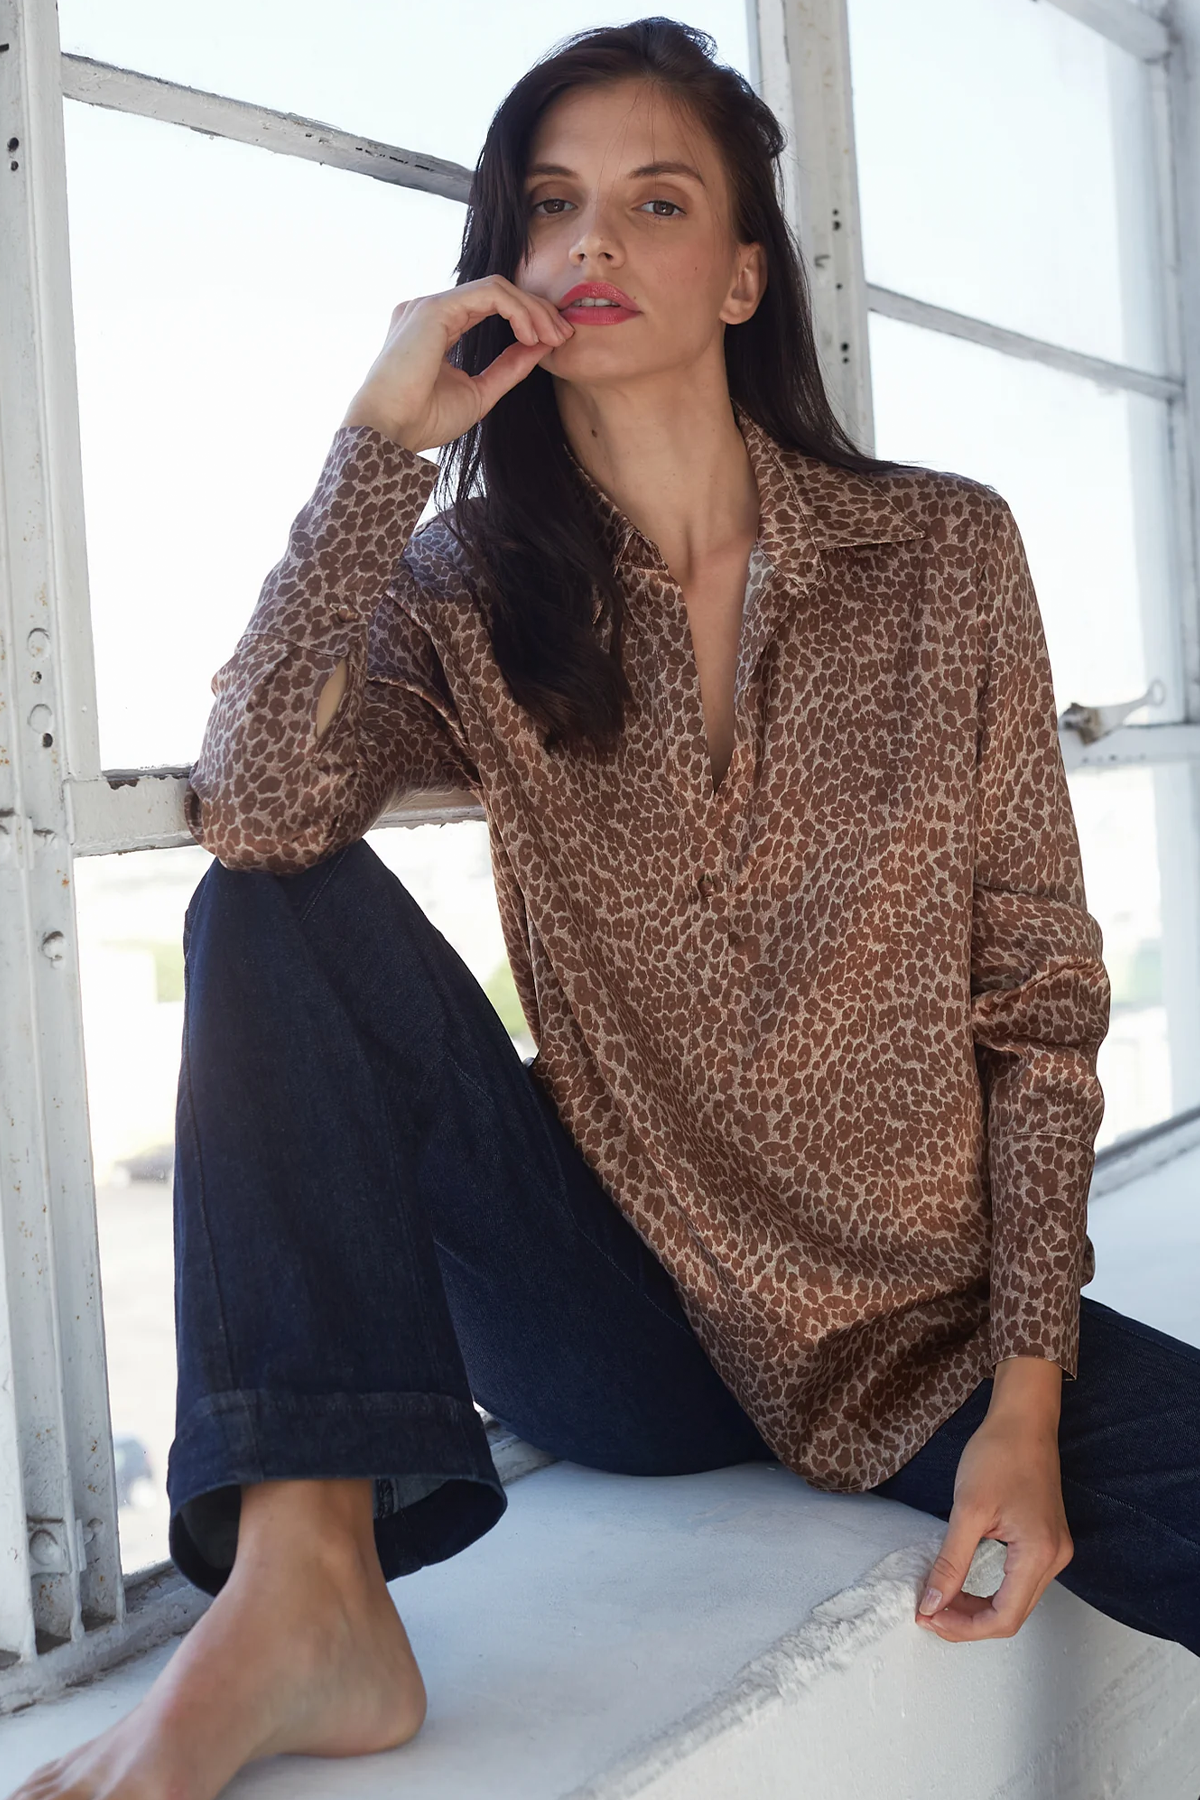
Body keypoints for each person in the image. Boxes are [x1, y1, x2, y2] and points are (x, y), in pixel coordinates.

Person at [15, 16, 1199, 1800]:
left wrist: (1023, 1409)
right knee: (270, 915)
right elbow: (259, 810)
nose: (594, 245)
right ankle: (305, 1587)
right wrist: (379, 444)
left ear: (739, 276)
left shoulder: (943, 558)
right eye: (553, 206)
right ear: (508, 267)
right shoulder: (466, 587)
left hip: (928, 1330)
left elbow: (1036, 994)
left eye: (655, 203)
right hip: (614, 1317)